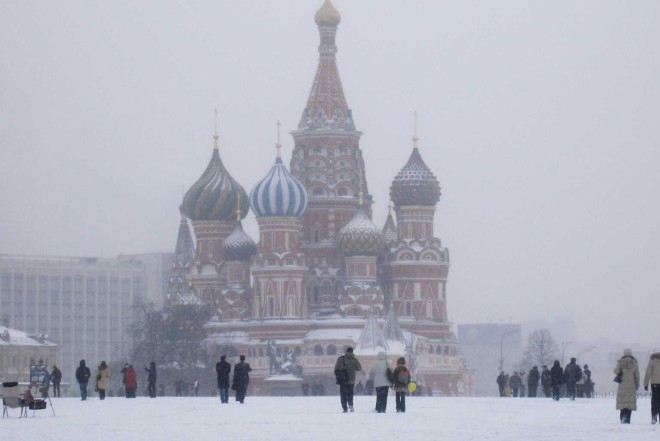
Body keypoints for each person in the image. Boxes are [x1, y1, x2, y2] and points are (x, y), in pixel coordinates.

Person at [614, 348, 640, 424]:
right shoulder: (634, 362)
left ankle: (623, 416)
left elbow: (615, 371)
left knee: (622, 401)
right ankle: (628, 417)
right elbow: (637, 376)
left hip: (622, 384)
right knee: (630, 401)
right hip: (631, 384)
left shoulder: (621, 362)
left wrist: (619, 366)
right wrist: (637, 385)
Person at [334, 346, 362, 413]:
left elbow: (336, 369)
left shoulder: (340, 359)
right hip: (351, 381)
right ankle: (350, 405)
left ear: (346, 352)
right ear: (352, 352)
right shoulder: (354, 360)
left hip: (342, 380)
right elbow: (359, 368)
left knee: (343, 395)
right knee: (350, 394)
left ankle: (345, 408)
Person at [643, 351, 660, 424]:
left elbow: (648, 372)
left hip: (655, 383)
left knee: (655, 400)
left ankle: (654, 416)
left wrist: (645, 383)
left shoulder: (652, 361)